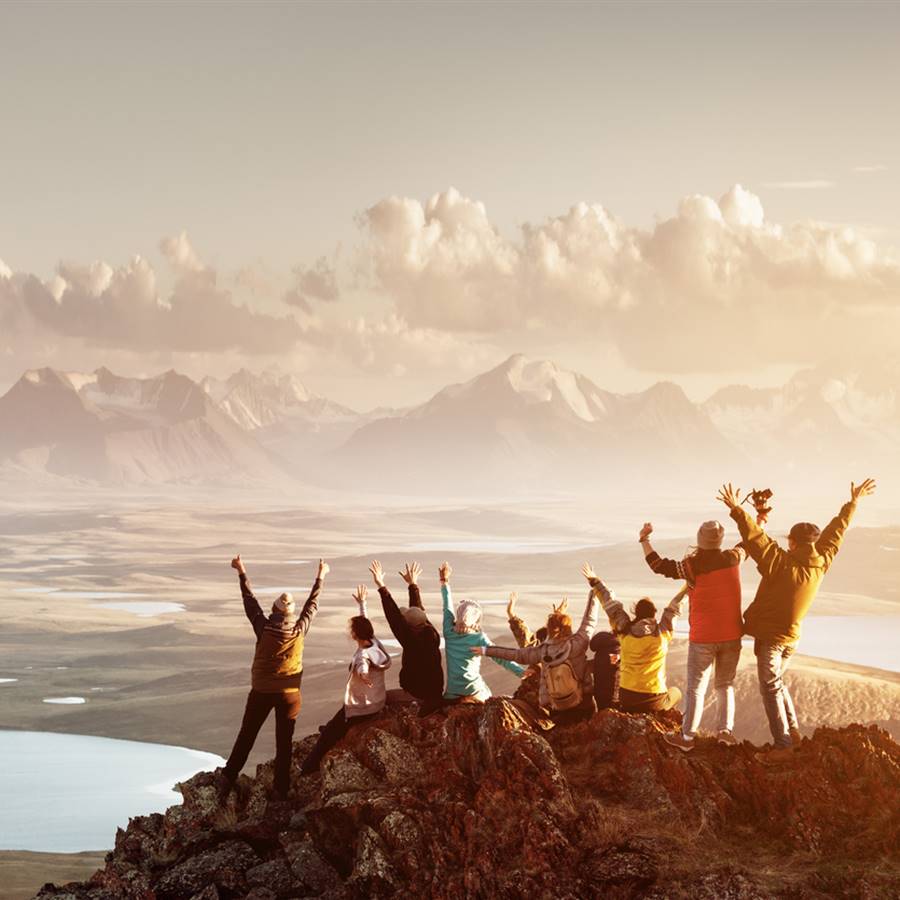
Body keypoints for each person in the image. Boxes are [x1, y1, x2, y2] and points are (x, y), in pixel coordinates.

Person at [717, 479, 876, 763]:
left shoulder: (781, 563)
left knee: (770, 687)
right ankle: (793, 733)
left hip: (774, 640)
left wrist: (736, 509)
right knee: (777, 683)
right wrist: (853, 503)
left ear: (792, 541)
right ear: (812, 542)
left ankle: (784, 745)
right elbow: (837, 531)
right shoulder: (822, 560)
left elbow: (756, 540)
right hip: (792, 638)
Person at [219, 555, 328, 802]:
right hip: (290, 696)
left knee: (247, 735)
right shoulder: (300, 630)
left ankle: (228, 777)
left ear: (275, 611)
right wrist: (321, 576)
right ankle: (280, 789)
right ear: (290, 613)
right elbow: (312, 605)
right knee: (284, 742)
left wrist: (241, 571)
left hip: (261, 691)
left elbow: (249, 601)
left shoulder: (263, 627)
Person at [639, 520, 747, 750]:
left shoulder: (690, 566)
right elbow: (749, 542)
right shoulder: (733, 558)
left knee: (696, 688)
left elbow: (658, 565)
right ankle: (725, 732)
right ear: (719, 540)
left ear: (700, 540)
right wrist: (759, 519)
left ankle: (687, 737)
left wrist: (645, 539)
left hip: (704, 637)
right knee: (725, 684)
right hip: (732, 634)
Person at [476, 579, 600, 724]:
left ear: (549, 629)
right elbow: (589, 620)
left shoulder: (542, 651)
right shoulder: (577, 644)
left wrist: (486, 650)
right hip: (582, 706)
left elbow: (515, 654)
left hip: (557, 709)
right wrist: (595, 590)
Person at [300, 584, 392, 775]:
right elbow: (366, 624)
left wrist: (363, 675)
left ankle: (308, 768)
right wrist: (362, 603)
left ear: (354, 635)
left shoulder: (362, 656)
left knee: (328, 734)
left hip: (363, 707)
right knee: (336, 722)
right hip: (377, 700)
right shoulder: (375, 643)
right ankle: (338, 727)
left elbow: (362, 667)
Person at [583, 563, 686, 714]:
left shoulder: (624, 631)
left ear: (636, 613)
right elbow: (675, 606)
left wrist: (595, 581)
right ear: (653, 614)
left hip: (627, 698)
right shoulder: (662, 632)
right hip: (654, 699)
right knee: (676, 692)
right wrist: (689, 586)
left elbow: (610, 604)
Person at [439, 561, 526, 702]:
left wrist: (444, 581)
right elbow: (501, 658)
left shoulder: (449, 631)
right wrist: (522, 673)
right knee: (489, 696)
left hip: (452, 692)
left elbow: (447, 606)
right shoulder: (479, 638)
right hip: (474, 689)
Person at [370, 560, 443, 716]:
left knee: (380, 699)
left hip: (417, 696)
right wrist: (412, 585)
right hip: (434, 694)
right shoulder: (430, 632)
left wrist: (381, 586)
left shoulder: (413, 643)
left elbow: (394, 617)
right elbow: (417, 612)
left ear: (410, 628)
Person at [505, 591, 549, 709]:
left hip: (529, 700)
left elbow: (526, 638)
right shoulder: (563, 651)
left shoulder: (536, 653)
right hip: (543, 702)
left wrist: (511, 614)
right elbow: (526, 638)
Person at [590, 631, 620, 710]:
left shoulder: (600, 652)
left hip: (599, 691)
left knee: (602, 711)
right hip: (612, 693)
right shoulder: (615, 650)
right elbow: (615, 672)